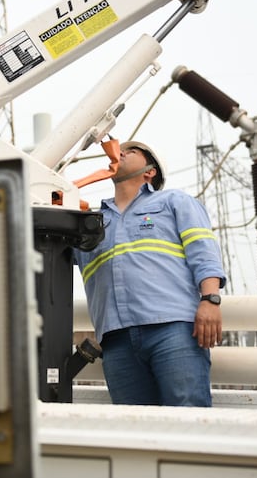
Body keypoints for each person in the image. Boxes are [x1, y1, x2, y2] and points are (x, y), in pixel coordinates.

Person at [74, 140, 226, 407]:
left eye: (129, 151)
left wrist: (210, 299)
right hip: (115, 338)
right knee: (136, 430)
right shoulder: (90, 223)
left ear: (150, 171)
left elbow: (203, 251)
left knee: (188, 414)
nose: (119, 152)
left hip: (173, 329)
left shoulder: (173, 202)